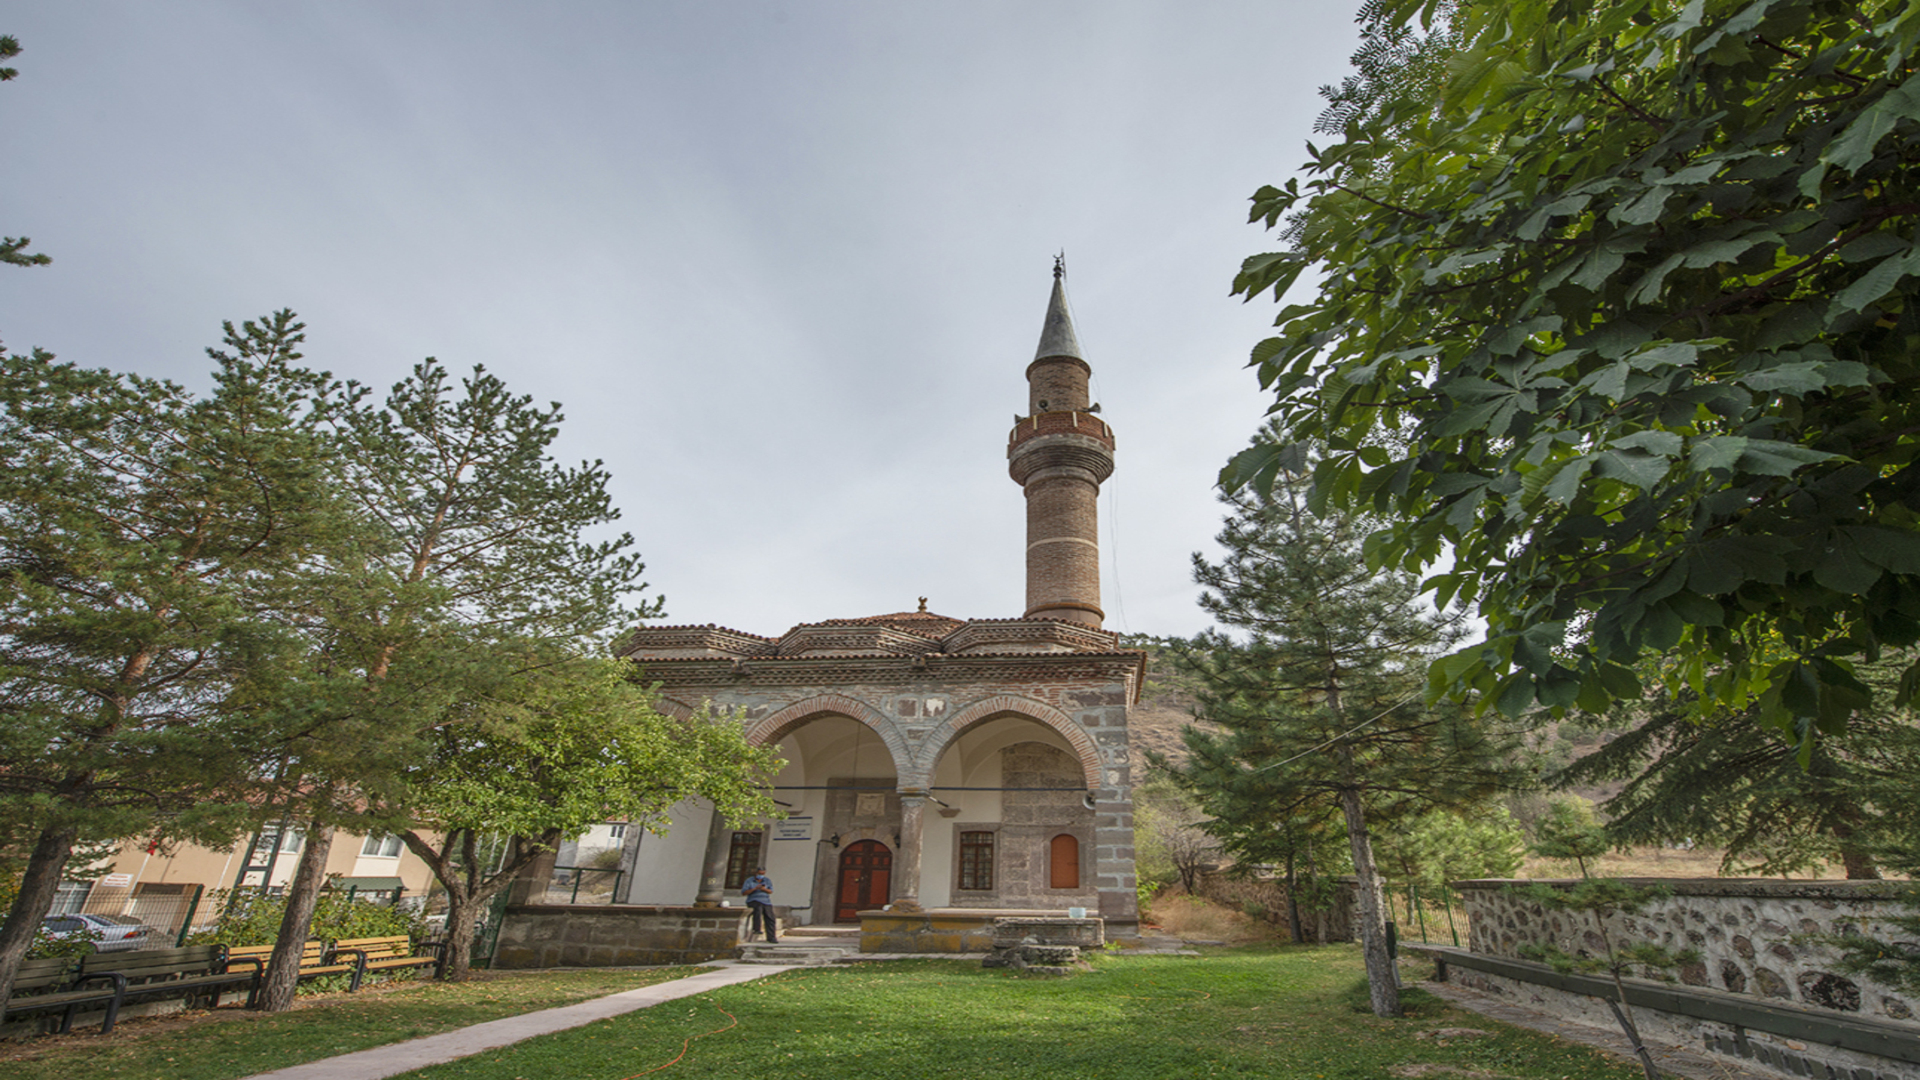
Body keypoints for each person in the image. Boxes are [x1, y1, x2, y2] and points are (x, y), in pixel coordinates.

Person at [741, 867, 777, 943]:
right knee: (758, 909)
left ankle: (771, 937)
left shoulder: (767, 881)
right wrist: (754, 889)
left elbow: (770, 891)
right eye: (759, 873)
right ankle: (756, 929)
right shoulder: (749, 881)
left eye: (762, 874)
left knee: (770, 917)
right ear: (756, 873)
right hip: (754, 900)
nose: (761, 875)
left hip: (766, 901)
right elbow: (744, 892)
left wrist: (763, 889)